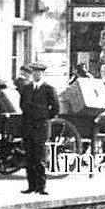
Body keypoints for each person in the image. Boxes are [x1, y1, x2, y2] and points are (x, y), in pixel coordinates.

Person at [19, 61, 59, 193]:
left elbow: (56, 107)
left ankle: (41, 187)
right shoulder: (27, 88)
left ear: (42, 73)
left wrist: (44, 117)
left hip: (40, 127)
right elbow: (22, 104)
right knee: (29, 157)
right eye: (34, 72)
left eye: (38, 72)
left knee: (39, 157)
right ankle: (31, 186)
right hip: (28, 127)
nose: (36, 75)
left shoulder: (49, 89)